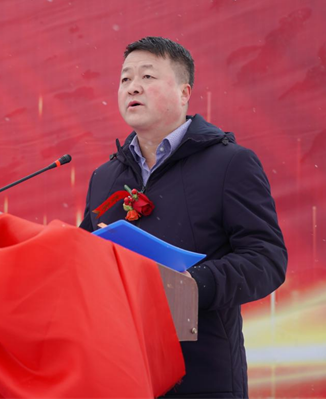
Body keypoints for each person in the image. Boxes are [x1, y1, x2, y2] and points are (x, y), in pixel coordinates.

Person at [79, 36, 288, 399]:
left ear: (184, 92)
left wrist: (191, 285)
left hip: (201, 376)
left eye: (147, 76)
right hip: (118, 374)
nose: (133, 87)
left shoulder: (230, 164)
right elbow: (82, 262)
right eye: (125, 79)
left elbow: (266, 259)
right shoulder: (105, 177)